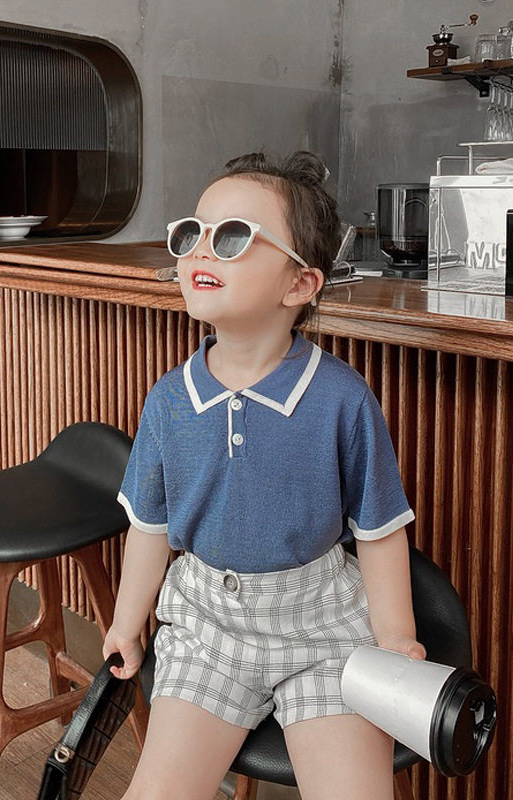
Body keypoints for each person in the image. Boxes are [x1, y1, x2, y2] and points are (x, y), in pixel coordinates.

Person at [102, 151, 425, 800]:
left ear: (300, 284)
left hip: (325, 628)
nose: (201, 250)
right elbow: (149, 528)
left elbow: (380, 530)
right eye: (191, 234)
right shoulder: (169, 401)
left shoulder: (342, 400)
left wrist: (397, 640)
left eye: (232, 238)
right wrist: (125, 623)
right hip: (206, 628)